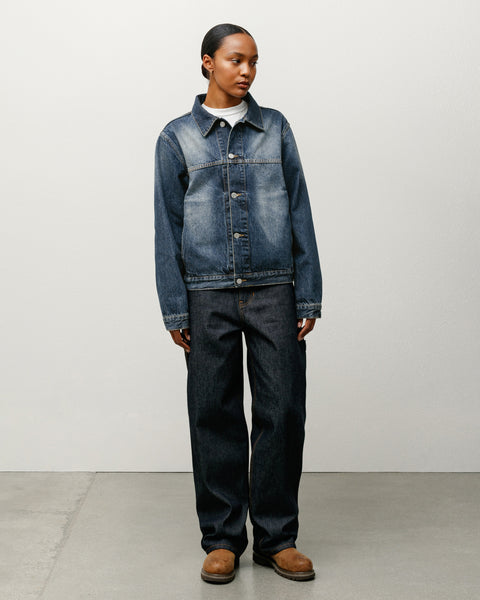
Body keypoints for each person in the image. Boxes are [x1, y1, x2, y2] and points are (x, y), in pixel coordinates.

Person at [154, 23, 322, 584]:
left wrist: (308, 291)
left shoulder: (275, 128)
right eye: (235, 60)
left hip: (275, 288)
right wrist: (176, 307)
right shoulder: (177, 137)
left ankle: (277, 538)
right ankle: (223, 539)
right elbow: (166, 226)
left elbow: (299, 209)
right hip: (206, 294)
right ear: (208, 62)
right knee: (214, 414)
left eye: (253, 61)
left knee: (283, 411)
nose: (246, 70)